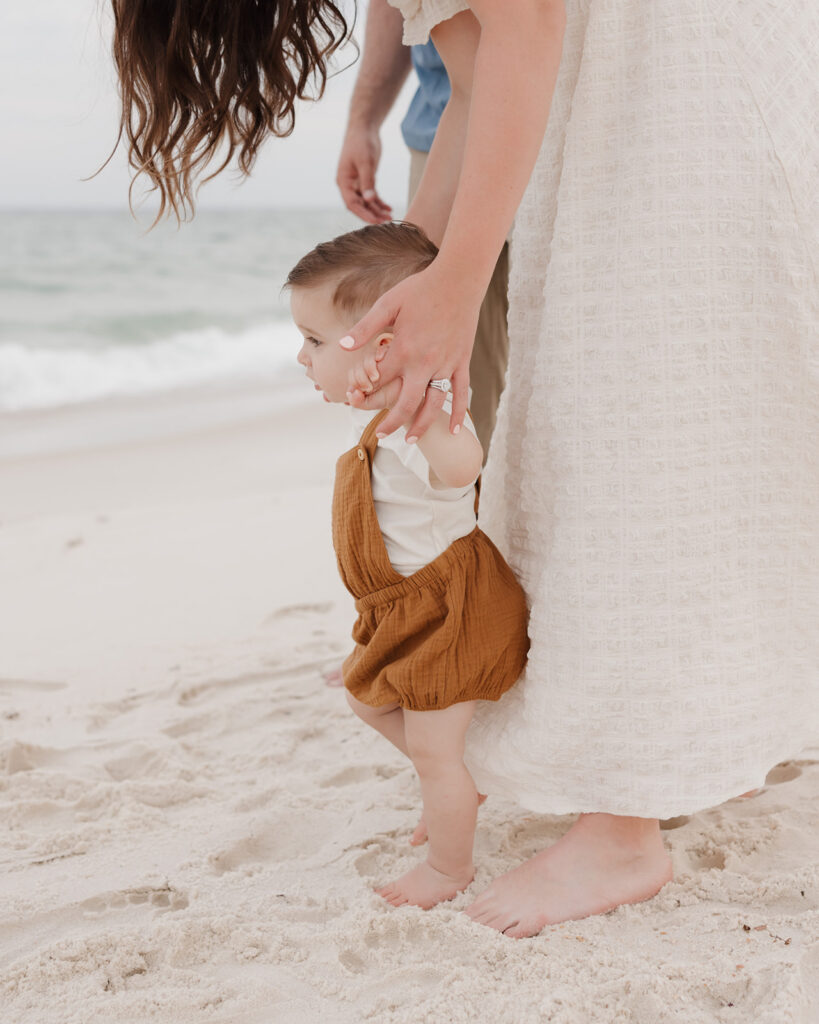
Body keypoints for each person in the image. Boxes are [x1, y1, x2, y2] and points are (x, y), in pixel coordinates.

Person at [109, 0, 819, 938]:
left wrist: (453, 287)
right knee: (630, 434)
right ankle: (666, 760)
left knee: (629, 443)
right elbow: (479, 81)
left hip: (673, 105)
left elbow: (522, 31)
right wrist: (408, 279)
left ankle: (622, 836)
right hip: (629, 107)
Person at [284, 220, 529, 909]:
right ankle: (463, 779)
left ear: (382, 349)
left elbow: (464, 467)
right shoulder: (387, 415)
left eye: (314, 341)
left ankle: (449, 868)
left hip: (449, 610)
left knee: (431, 749)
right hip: (404, 608)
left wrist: (424, 417)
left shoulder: (431, 415)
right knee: (366, 699)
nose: (302, 357)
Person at [335, 0, 509, 459]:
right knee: (446, 401)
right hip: (444, 135)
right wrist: (363, 118)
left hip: (572, 141)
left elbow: (518, 34)